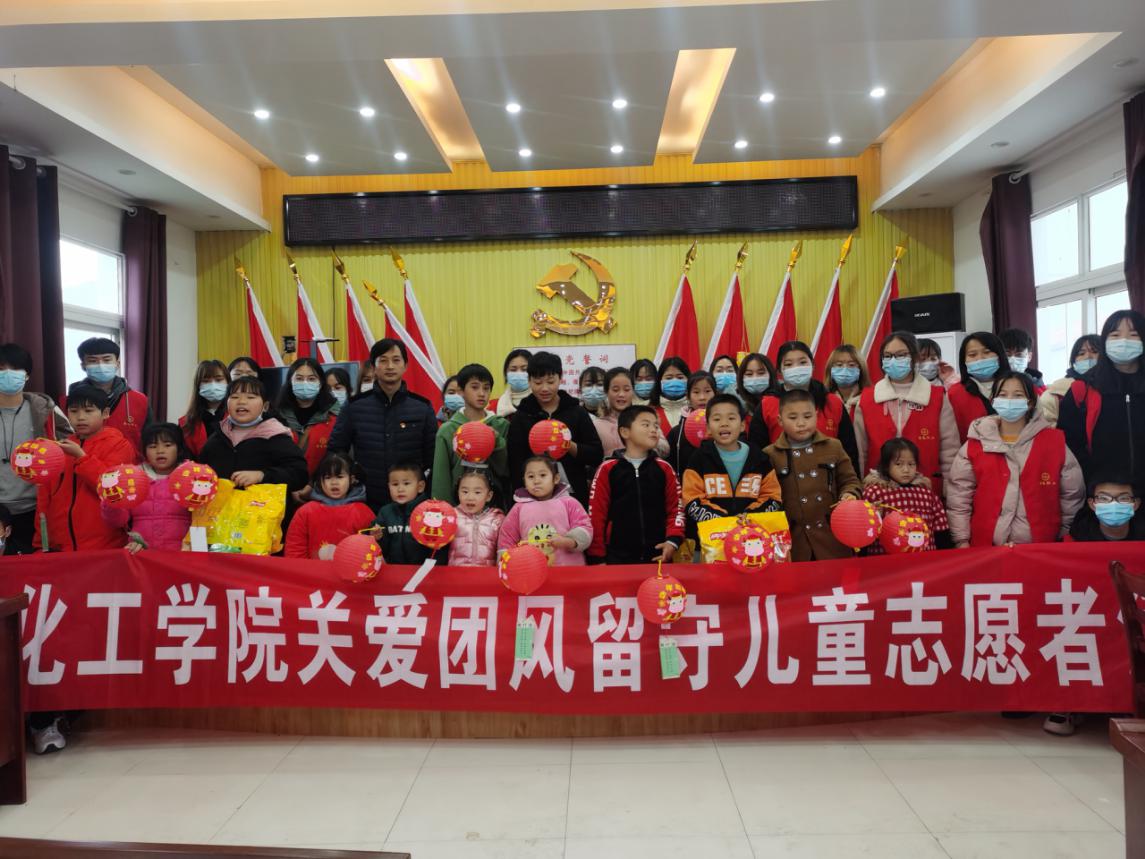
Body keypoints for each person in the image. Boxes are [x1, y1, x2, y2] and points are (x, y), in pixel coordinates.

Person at [946, 371, 1084, 547]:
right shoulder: (976, 443)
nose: (1009, 400)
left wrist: (1064, 537)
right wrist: (961, 540)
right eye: (1003, 395)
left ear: (1030, 402)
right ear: (993, 400)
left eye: (1018, 395)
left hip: (1041, 547)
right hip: (986, 547)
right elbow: (959, 497)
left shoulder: (1054, 442)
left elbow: (1072, 496)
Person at [328, 338, 438, 509]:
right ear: (373, 367)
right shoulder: (354, 406)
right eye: (383, 360)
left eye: (396, 360)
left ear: (405, 365)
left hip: (412, 503)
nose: (390, 366)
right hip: (366, 499)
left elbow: (433, 459)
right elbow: (336, 450)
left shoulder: (422, 408)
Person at [763, 388, 862, 562]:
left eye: (807, 416)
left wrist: (849, 494)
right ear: (780, 420)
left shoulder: (833, 446)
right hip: (794, 541)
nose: (801, 423)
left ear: (816, 416)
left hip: (832, 537)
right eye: (793, 418)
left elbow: (850, 480)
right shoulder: (770, 454)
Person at [852, 331, 959, 489]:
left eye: (901, 355)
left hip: (926, 490)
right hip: (878, 491)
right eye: (887, 356)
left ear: (915, 357)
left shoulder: (937, 397)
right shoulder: (867, 398)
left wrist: (949, 492)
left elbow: (949, 452)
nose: (893, 360)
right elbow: (860, 453)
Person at [35, 384, 135, 552]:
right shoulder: (59, 449)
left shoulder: (119, 445)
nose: (80, 417)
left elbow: (111, 489)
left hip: (106, 546)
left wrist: (81, 457)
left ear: (105, 413)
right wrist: (41, 544)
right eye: (74, 411)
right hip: (61, 548)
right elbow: (44, 501)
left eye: (89, 411)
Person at [1058, 310, 1145, 490]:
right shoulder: (1083, 388)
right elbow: (1068, 442)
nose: (1124, 341)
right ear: (1105, 341)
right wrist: (1093, 478)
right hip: (1102, 493)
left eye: (1133, 334)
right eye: (1115, 335)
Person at [506, 350, 603, 509]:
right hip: (533, 499)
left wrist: (568, 445)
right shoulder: (522, 416)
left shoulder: (576, 412)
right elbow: (515, 465)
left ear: (560, 378)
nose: (545, 388)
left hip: (573, 498)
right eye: (538, 383)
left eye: (551, 382)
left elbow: (596, 454)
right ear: (529, 381)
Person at [588, 404, 683, 564]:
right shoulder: (607, 469)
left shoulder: (665, 468)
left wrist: (672, 541)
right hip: (617, 557)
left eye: (656, 426)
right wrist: (597, 557)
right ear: (625, 432)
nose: (654, 430)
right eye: (646, 425)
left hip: (659, 555)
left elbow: (676, 509)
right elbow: (596, 515)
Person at [0, 343, 71, 554]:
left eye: (15, 369)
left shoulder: (45, 410)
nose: (8, 374)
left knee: (34, 568)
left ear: (27, 375)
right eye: (1, 369)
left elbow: (70, 446)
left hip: (36, 507)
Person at [747, 340, 858, 468]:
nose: (797, 368)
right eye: (789, 364)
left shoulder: (832, 402)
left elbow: (849, 451)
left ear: (813, 365)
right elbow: (756, 452)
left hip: (829, 476)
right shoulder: (767, 404)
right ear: (779, 371)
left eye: (803, 362)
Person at [683, 394, 782, 531]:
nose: (724, 424)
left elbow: (772, 497)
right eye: (717, 419)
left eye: (731, 418)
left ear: (742, 425)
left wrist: (750, 517)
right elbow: (691, 499)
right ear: (708, 428)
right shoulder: (699, 459)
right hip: (713, 535)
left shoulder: (759, 458)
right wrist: (725, 521)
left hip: (753, 534)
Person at [199, 377, 309, 496]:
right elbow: (201, 470)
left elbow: (300, 474)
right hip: (222, 506)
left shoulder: (276, 436)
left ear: (265, 406)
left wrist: (262, 476)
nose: (241, 401)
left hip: (263, 506)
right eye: (235, 397)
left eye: (250, 397)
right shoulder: (218, 435)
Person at [100, 422, 192, 553]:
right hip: (142, 553)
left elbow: (203, 518)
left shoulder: (193, 478)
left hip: (182, 554)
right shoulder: (133, 480)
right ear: (144, 451)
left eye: (167, 445)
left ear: (179, 448)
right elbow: (119, 521)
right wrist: (111, 501)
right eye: (152, 446)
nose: (160, 451)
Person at [430, 363, 510, 504]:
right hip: (458, 508)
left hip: (494, 506)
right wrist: (443, 509)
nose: (481, 393)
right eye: (475, 387)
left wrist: (497, 442)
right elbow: (441, 478)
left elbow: (506, 470)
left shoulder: (501, 425)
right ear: (461, 391)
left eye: (486, 388)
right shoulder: (448, 430)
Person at [64, 337, 151, 457]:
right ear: (83, 365)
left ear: (117, 364)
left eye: (107, 359)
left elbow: (150, 439)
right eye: (93, 361)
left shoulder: (139, 400)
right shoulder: (68, 402)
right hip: (80, 465)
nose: (100, 365)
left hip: (129, 467)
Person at [861, 438, 951, 553]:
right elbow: (862, 529)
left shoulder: (927, 494)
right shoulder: (875, 493)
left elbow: (941, 528)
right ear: (886, 466)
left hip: (924, 558)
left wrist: (945, 556)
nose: (906, 470)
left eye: (911, 464)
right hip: (884, 558)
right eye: (898, 464)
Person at [498, 455, 592, 565]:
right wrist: (506, 563)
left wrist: (568, 542)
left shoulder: (569, 503)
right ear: (524, 481)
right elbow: (507, 538)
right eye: (531, 476)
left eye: (542, 475)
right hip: (531, 568)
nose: (536, 481)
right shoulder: (519, 508)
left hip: (569, 567)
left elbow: (584, 527)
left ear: (556, 478)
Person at [284, 452, 375, 560]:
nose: (334, 482)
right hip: (311, 570)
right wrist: (304, 569)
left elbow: (371, 550)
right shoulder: (305, 512)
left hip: (351, 570)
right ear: (319, 481)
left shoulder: (363, 512)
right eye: (328, 477)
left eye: (340, 477)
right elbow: (294, 549)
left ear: (352, 479)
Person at [276, 357, 342, 481]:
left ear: (321, 383)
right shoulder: (276, 417)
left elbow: (340, 458)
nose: (305, 383)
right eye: (299, 378)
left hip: (323, 486)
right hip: (282, 486)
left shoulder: (335, 417)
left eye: (311, 379)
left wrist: (313, 485)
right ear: (290, 382)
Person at [948, 331, 1011, 442]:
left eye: (987, 352)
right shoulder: (954, 393)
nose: (980, 358)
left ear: (1000, 355)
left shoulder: (1019, 386)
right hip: (972, 450)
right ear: (964, 360)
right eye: (972, 355)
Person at [592, 367, 669, 459]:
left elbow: (665, 451)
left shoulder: (646, 418)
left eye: (627, 389)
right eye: (615, 390)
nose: (621, 394)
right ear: (606, 391)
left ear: (633, 391)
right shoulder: (596, 425)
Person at [373, 463, 436, 565]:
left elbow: (436, 548)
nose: (400, 489)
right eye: (395, 484)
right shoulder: (385, 512)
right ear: (388, 486)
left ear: (420, 487)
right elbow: (380, 550)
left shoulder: (430, 513)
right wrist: (377, 538)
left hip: (422, 570)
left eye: (406, 484)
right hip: (393, 570)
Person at [1038, 335, 1100, 426]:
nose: (1088, 357)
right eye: (1081, 353)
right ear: (1073, 361)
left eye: (1094, 351)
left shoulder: (1115, 387)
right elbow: (1046, 427)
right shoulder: (1055, 392)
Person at [665, 371, 717, 477]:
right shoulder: (677, 433)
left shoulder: (724, 428)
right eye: (696, 392)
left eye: (707, 391)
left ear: (715, 394)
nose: (702, 397)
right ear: (688, 396)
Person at [449, 470, 505, 567]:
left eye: (477, 492)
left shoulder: (497, 519)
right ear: (458, 493)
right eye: (465, 492)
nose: (470, 497)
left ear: (488, 496)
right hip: (456, 572)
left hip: (487, 573)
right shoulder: (451, 516)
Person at [1068, 473, 1145, 542]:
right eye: (1104, 498)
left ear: (1136, 504)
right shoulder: (1076, 540)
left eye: (1123, 498)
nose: (1113, 504)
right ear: (1092, 504)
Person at [179, 359, 228, 457]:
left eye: (219, 380)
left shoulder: (239, 417)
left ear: (228, 382)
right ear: (198, 385)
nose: (213, 385)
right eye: (206, 381)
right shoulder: (186, 423)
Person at [824, 344, 870, 418]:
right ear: (830, 369)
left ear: (861, 369)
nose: (845, 369)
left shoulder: (871, 397)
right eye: (839, 365)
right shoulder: (822, 398)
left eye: (851, 365)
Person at [651, 356, 691, 433]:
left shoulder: (696, 411)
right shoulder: (649, 411)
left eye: (680, 378)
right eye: (669, 378)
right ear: (660, 381)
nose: (674, 382)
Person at [1000, 327, 1045, 393]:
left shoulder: (1041, 390)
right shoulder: (992, 386)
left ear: (1029, 356)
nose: (1013, 359)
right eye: (1007, 355)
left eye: (1019, 355)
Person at [494, 349, 532, 417]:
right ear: (506, 374)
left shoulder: (543, 404)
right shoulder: (494, 406)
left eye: (524, 369)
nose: (519, 373)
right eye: (513, 369)